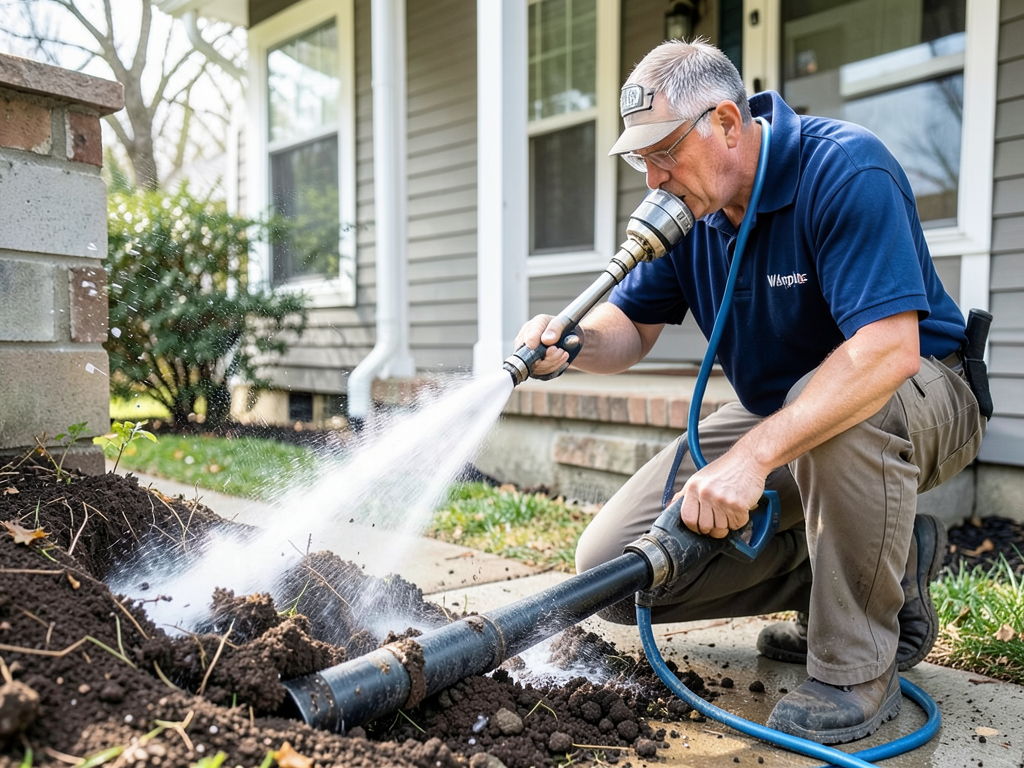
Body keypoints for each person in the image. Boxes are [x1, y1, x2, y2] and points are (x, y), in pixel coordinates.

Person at [515, 39, 987, 745]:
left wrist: (752, 457)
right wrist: (575, 342)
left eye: (665, 150)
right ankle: (873, 566)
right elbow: (634, 328)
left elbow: (887, 351)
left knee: (839, 418)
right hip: (783, 411)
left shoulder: (844, 168)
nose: (653, 176)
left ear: (728, 124)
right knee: (614, 571)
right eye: (640, 158)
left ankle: (855, 671)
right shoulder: (690, 213)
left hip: (923, 391)